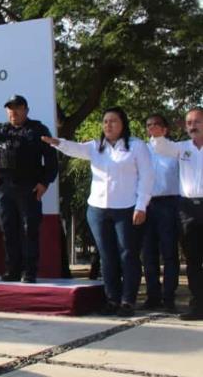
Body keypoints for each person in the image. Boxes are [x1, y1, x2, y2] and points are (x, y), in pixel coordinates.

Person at [42, 107, 153, 317]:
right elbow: (76, 149)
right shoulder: (96, 146)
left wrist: (141, 206)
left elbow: (147, 177)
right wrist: (57, 142)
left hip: (127, 209)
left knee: (128, 254)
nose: (108, 125)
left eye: (113, 121)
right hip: (98, 210)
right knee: (106, 256)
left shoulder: (137, 146)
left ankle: (128, 300)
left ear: (123, 124)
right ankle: (112, 299)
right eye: (105, 122)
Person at [0, 95, 58, 283]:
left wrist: (44, 183)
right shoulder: (2, 130)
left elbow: (52, 161)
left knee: (29, 229)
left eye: (17, 108)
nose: (13, 112)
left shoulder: (38, 130)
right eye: (10, 108)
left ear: (26, 110)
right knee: (8, 229)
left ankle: (29, 271)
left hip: (28, 187)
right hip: (4, 188)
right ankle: (12, 269)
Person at [148, 107, 203, 321]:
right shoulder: (181, 148)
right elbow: (162, 148)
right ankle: (198, 305)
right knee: (193, 260)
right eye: (189, 122)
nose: (192, 126)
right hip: (187, 209)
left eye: (197, 121)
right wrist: (157, 133)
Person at [140, 114, 181, 312]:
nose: (153, 128)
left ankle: (169, 297)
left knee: (169, 253)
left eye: (157, 124)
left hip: (169, 204)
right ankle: (153, 296)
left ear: (166, 129)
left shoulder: (176, 151)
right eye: (149, 125)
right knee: (148, 254)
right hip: (147, 204)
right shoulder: (143, 151)